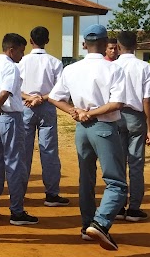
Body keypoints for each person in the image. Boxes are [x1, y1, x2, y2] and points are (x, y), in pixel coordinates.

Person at [48, 24, 127, 251]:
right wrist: (89, 112)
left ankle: (86, 227)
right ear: (105, 45)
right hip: (103, 126)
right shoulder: (113, 69)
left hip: (82, 129)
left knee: (87, 179)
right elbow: (116, 103)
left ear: (84, 45)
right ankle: (100, 223)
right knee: (117, 183)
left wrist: (75, 111)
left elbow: (54, 97)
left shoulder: (71, 68)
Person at [0, 33, 38, 225]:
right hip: (8, 116)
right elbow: (5, 91)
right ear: (11, 50)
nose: (22, 56)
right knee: (14, 163)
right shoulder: (11, 67)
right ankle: (16, 210)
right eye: (21, 51)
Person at [17, 27, 69, 207]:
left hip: (25, 106)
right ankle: (52, 194)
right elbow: (59, 89)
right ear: (47, 40)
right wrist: (42, 98)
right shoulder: (55, 62)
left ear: (30, 40)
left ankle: (20, 193)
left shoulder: (21, 61)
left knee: (23, 152)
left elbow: (14, 87)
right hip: (47, 105)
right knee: (49, 150)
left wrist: (31, 97)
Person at [113, 31, 150, 222]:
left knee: (117, 163)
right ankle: (134, 209)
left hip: (114, 115)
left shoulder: (112, 67)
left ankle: (117, 206)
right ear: (136, 45)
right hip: (135, 117)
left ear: (117, 46)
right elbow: (147, 100)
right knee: (136, 164)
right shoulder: (145, 67)